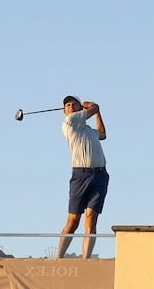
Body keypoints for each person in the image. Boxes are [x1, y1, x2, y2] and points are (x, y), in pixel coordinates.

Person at [57, 96, 108, 259]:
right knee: (73, 220)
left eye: (74, 104)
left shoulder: (88, 131)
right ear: (65, 111)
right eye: (67, 105)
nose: (70, 106)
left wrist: (98, 112)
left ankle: (86, 259)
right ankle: (59, 257)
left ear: (80, 109)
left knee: (91, 219)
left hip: (100, 174)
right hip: (80, 175)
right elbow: (93, 109)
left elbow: (102, 134)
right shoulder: (69, 122)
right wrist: (94, 106)